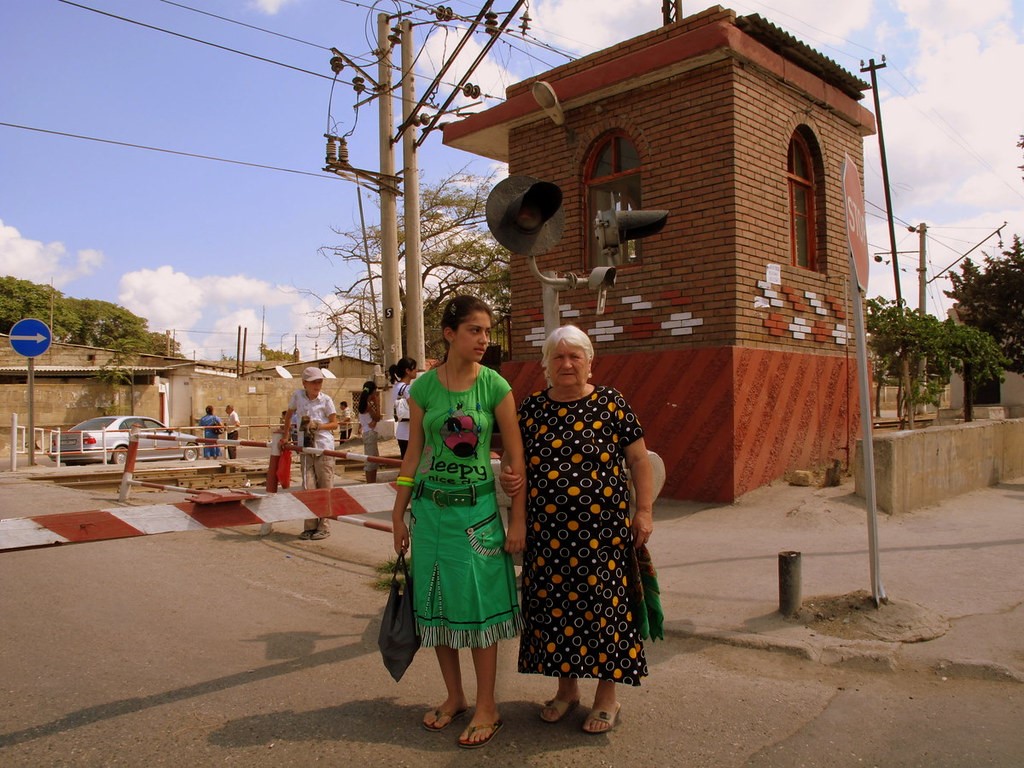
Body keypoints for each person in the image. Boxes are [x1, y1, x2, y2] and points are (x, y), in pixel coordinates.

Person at [390, 295, 526, 750]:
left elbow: (515, 456)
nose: (485, 339)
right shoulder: (423, 389)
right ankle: (455, 697)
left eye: (488, 331)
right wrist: (398, 510)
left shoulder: (495, 387)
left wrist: (517, 518)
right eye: (475, 330)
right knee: (437, 609)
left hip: (477, 516)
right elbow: (413, 453)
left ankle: (488, 706)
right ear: (450, 334)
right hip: (429, 514)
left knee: (477, 610)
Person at [503, 324, 654, 734]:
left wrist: (644, 511)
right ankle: (566, 691)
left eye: (575, 356)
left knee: (605, 613)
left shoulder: (611, 403)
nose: (567, 364)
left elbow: (639, 461)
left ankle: (607, 697)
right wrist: (510, 482)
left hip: (602, 535)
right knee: (555, 612)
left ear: (590, 362)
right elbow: (514, 463)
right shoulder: (532, 407)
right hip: (548, 536)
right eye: (559, 357)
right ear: (546, 365)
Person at [283, 367, 339, 541]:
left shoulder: (326, 400)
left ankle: (324, 526)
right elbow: (289, 415)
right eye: (313, 382)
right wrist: (286, 437)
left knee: (325, 486)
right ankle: (309, 525)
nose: (317, 385)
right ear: (304, 383)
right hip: (305, 446)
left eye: (319, 381)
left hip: (323, 446)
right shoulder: (297, 396)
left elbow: (334, 423)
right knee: (308, 487)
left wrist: (318, 426)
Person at [389, 357, 417, 458]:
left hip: (401, 431)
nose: (416, 370)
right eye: (414, 368)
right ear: (407, 371)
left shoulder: (396, 387)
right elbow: (415, 409)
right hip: (410, 432)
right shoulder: (407, 389)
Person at [357, 381, 381, 483]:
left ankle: (372, 482)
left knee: (373, 459)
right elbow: (377, 417)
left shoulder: (363, 404)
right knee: (371, 461)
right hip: (370, 434)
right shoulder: (367, 405)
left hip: (368, 432)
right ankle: (371, 482)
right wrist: (378, 404)